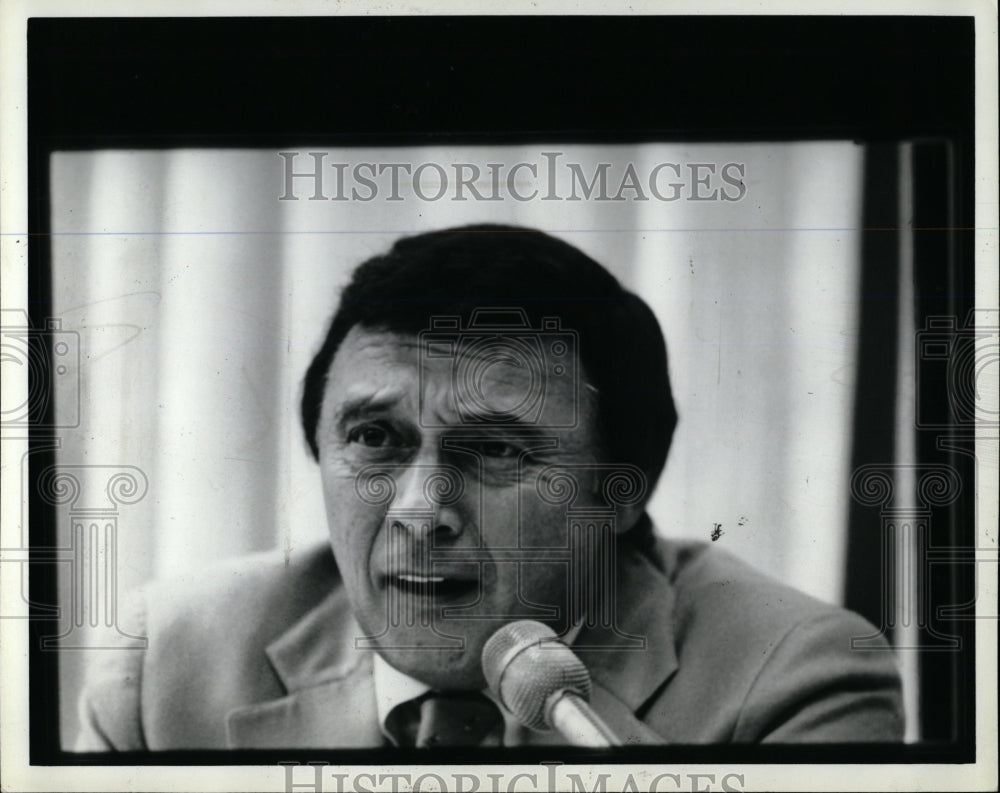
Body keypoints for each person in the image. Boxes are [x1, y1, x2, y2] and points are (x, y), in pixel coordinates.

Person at [76, 225, 903, 750]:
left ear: (622, 488)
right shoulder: (168, 668)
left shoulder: (796, 684)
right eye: (374, 439)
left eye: (498, 450)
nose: (419, 509)